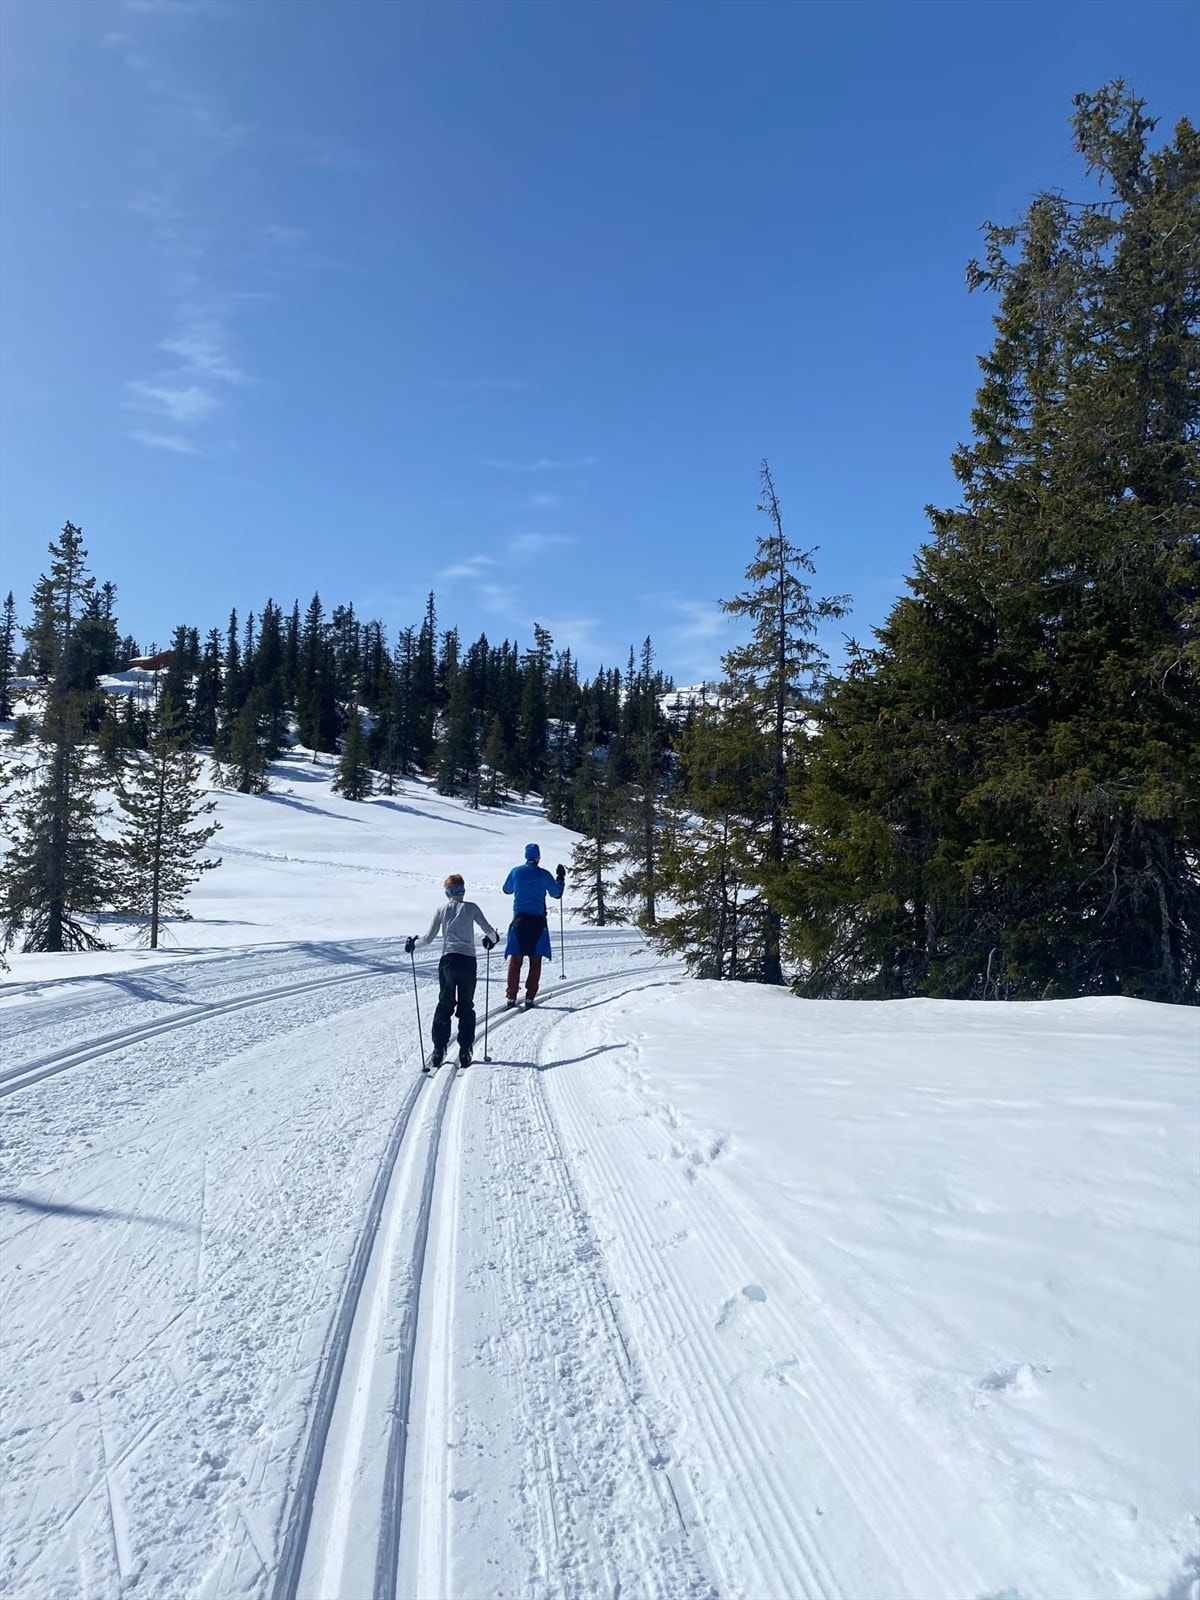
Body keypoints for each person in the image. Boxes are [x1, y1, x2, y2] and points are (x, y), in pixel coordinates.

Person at [405, 874, 500, 1069]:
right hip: (468, 962)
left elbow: (428, 938)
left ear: (447, 892)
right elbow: (490, 932)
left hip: (448, 961)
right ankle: (465, 1051)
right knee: (466, 1006)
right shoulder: (472, 908)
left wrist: (413, 944)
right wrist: (493, 939)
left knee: (444, 1004)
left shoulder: (442, 910)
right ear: (463, 890)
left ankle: (439, 1050)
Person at [502, 843, 566, 1009]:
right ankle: (530, 997)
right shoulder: (544, 874)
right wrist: (560, 878)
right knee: (535, 960)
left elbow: (506, 890)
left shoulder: (516, 872)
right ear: (538, 857)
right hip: (538, 921)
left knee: (516, 959)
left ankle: (511, 995)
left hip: (519, 920)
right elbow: (556, 893)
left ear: (526, 856)